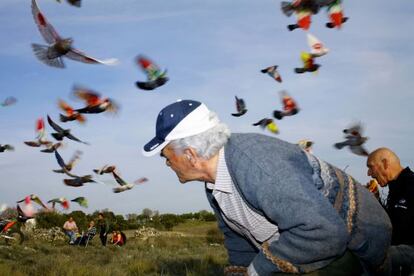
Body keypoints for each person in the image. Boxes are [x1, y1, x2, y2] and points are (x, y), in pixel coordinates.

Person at [142, 100, 392, 275]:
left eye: (166, 155)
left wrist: (259, 269)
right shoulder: (213, 184)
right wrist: (240, 272)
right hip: (318, 244)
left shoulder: (257, 165)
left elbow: (325, 233)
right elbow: (237, 235)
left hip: (355, 241)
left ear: (190, 154)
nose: (166, 163)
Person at [367, 148, 414, 275]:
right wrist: (375, 200)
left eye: (371, 167)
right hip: (396, 249)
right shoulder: (394, 188)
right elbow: (390, 221)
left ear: (385, 164)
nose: (368, 173)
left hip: (408, 251)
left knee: (372, 258)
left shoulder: (411, 184)